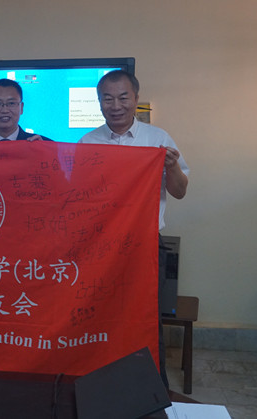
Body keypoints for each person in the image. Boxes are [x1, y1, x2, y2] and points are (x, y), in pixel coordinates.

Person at [78, 69, 189, 389]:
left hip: (145, 244)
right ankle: (101, 383)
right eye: (107, 99)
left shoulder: (158, 139)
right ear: (99, 102)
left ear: (136, 99)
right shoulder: (88, 142)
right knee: (100, 313)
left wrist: (170, 167)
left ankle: (152, 389)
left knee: (145, 317)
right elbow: (80, 197)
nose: (115, 105)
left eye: (123, 97)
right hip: (100, 244)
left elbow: (180, 191)